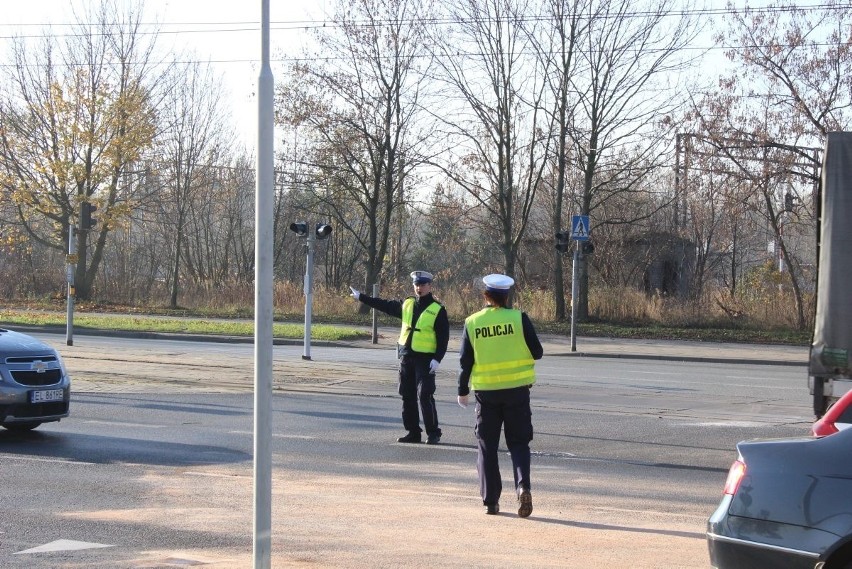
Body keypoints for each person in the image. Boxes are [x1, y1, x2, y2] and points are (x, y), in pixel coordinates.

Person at [457, 274, 543, 517]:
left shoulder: (472, 322)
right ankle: (523, 486)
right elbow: (537, 352)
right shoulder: (519, 319)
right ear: (507, 296)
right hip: (517, 392)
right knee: (518, 443)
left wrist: (462, 390)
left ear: (485, 295)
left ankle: (491, 502)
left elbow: (465, 362)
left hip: (487, 395)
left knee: (487, 446)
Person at [349, 271, 449, 445]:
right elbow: (385, 306)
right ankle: (413, 432)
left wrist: (437, 359)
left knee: (425, 395)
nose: (419, 288)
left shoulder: (437, 309)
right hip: (407, 356)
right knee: (407, 395)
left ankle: (433, 432)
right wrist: (362, 298)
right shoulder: (408, 304)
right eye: (417, 285)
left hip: (425, 359)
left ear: (430, 286)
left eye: (423, 285)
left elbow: (443, 337)